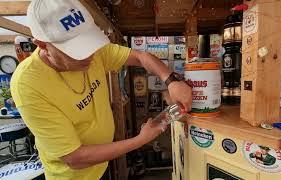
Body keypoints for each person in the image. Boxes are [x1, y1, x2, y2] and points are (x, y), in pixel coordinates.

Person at [10, 0, 192, 179]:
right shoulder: (28, 84)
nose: (89, 56)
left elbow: (140, 57)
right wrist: (140, 140)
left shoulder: (95, 53)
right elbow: (75, 158)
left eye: (88, 45)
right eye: (77, 50)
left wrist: (171, 81)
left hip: (101, 166)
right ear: (42, 44)